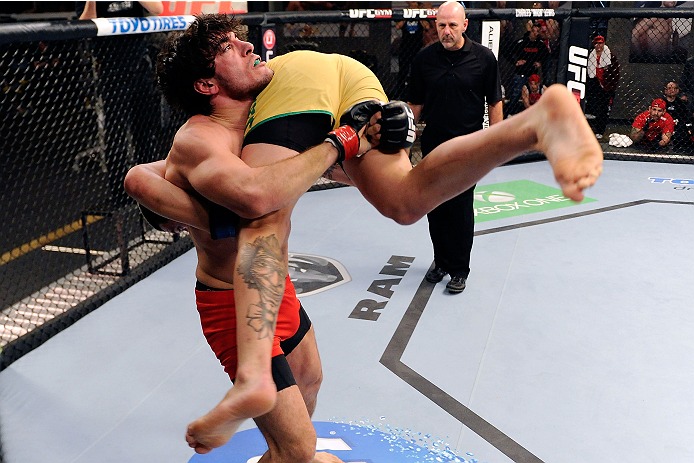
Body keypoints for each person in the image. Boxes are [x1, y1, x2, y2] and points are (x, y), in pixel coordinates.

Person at [125, 12, 603, 453]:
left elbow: (251, 193)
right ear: (206, 83)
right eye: (229, 46)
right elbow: (233, 188)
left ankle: (258, 388)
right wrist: (354, 148)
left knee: (263, 215)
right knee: (403, 201)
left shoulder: (260, 115)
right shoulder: (204, 136)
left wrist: (341, 145)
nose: (248, 44)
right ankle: (533, 126)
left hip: (264, 277)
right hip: (239, 294)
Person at [406, 1, 503, 294]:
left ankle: (459, 269)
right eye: (441, 25)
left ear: (464, 25)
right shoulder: (423, 60)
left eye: (451, 25)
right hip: (434, 144)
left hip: (468, 147)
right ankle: (441, 261)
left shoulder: (484, 59)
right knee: (434, 205)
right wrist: (403, 145)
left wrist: (496, 144)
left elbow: (494, 102)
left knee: (460, 209)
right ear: (435, 26)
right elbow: (415, 106)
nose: (446, 31)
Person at [506, 20, 549, 117]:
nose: (536, 33)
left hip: (533, 74)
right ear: (530, 30)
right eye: (534, 31)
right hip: (521, 72)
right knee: (515, 95)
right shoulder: (521, 42)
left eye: (538, 31)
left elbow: (547, 56)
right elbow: (506, 51)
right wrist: (515, 62)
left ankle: (533, 115)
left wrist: (540, 63)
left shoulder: (540, 44)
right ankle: (511, 114)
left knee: (533, 95)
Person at [585, 35, 620, 139]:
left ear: (604, 44)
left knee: (603, 109)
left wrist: (611, 87)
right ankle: (589, 130)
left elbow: (616, 74)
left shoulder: (611, 57)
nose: (598, 46)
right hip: (594, 85)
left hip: (606, 87)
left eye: (600, 43)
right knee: (592, 108)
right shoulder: (591, 56)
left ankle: (600, 130)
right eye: (596, 43)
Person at [662, 81, 693, 151]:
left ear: (677, 90)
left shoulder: (682, 103)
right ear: (665, 91)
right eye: (669, 88)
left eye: (674, 88)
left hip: (678, 127)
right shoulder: (661, 102)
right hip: (664, 126)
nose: (671, 90)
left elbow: (684, 118)